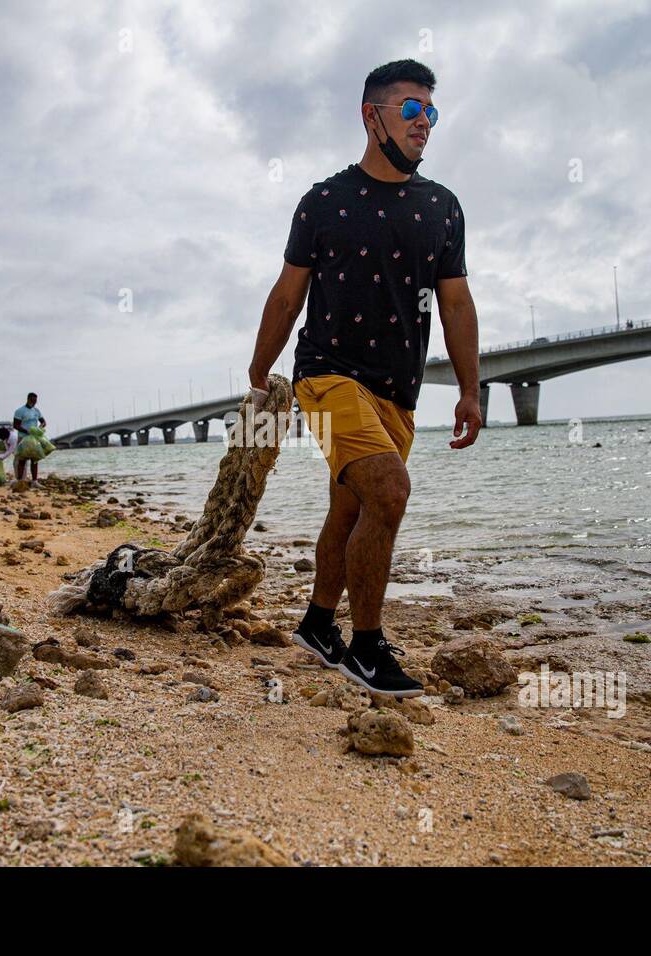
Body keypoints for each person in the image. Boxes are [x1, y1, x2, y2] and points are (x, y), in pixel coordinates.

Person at [246, 59, 482, 698]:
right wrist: (260, 370)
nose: (424, 123)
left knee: (352, 508)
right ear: (371, 114)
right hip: (325, 376)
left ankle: (319, 625)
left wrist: (469, 388)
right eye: (411, 109)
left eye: (431, 111)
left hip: (396, 391)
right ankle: (366, 648)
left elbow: (456, 304)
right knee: (391, 491)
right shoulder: (324, 202)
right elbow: (288, 292)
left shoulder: (442, 207)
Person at [12, 392, 47, 485]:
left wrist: (39, 428)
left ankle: (34, 481)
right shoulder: (20, 411)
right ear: (28, 399)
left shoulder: (36, 411)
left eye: (35, 400)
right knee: (22, 459)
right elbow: (15, 425)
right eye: (32, 400)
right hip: (23, 437)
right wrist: (26, 431)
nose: (34, 402)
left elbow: (43, 422)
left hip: (34, 438)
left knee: (35, 459)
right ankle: (19, 480)